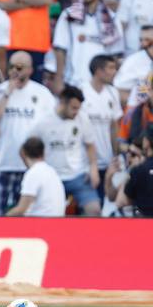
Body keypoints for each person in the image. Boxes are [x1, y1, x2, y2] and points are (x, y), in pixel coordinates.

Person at [0, 51, 57, 215]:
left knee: (23, 215)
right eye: (12, 66)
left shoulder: (42, 94)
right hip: (0, 162)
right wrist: (7, 92)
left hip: (28, 165)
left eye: (21, 67)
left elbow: (52, 126)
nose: (16, 70)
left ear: (30, 70)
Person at [30, 85, 101, 216]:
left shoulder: (82, 119)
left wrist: (93, 168)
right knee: (50, 214)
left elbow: (90, 145)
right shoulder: (43, 122)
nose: (76, 112)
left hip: (78, 176)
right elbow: (29, 148)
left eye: (78, 108)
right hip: (51, 177)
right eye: (74, 108)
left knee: (94, 210)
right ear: (62, 102)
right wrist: (37, 171)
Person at [52, 0, 124, 89]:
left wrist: (110, 80)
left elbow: (115, 55)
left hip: (99, 85)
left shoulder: (112, 19)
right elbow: (60, 48)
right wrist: (59, 78)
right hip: (72, 80)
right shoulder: (69, 15)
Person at [79, 54, 123, 202]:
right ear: (98, 71)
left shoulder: (113, 92)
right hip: (84, 163)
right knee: (89, 207)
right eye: (110, 68)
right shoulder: (81, 91)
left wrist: (116, 154)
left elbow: (114, 127)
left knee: (106, 204)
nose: (114, 71)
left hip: (107, 160)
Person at [5, 137, 66, 217]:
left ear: (23, 153)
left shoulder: (33, 173)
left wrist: (3, 218)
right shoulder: (51, 171)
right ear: (43, 153)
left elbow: (21, 209)